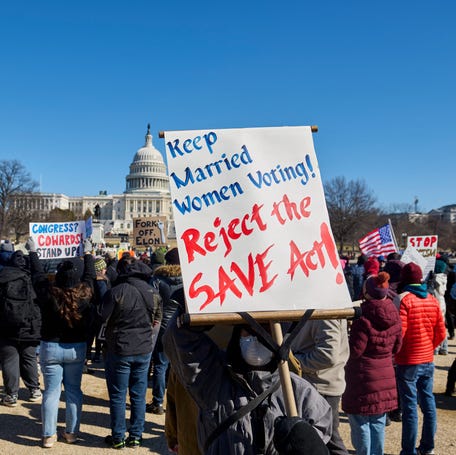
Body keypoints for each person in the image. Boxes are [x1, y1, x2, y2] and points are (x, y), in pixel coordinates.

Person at [163, 288, 333, 455]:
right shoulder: (213, 380)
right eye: (250, 331)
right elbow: (180, 342)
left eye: (267, 332)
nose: (257, 339)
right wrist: (194, 311)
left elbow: (322, 428)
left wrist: (310, 447)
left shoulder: (301, 394)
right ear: (237, 335)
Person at [27, 237, 96, 448]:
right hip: (76, 348)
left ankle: (49, 435)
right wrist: (89, 254)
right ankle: (71, 433)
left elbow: (38, 276)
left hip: (51, 347)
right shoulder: (85, 295)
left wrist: (33, 253)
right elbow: (90, 277)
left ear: (58, 277)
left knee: (51, 392)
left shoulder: (49, 294)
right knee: (74, 391)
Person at [101, 255, 162, 449]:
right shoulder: (154, 293)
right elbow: (157, 321)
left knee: (118, 395)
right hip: (144, 348)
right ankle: (136, 436)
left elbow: (101, 315)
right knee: (138, 394)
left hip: (120, 348)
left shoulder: (116, 291)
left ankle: (118, 437)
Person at [342, 272, 403, 455]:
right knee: (377, 421)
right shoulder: (395, 315)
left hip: (363, 376)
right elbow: (397, 347)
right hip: (385, 374)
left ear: (366, 293)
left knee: (360, 421)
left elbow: (355, 351)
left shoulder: (363, 319)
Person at [393, 262, 446, 455]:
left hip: (408, 360)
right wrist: (428, 349)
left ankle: (408, 450)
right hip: (426, 359)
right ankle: (428, 447)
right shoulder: (432, 299)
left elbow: (400, 333)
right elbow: (441, 332)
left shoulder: (403, 299)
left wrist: (396, 353)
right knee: (428, 403)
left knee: (410, 408)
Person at [291, 318, 350, 455]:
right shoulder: (321, 308)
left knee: (329, 440)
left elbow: (327, 355)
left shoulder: (325, 310)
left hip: (321, 386)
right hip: (318, 383)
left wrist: (294, 362)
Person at [0, 250, 42, 407]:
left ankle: (11, 395)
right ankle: (34, 390)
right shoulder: (31, 278)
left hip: (6, 326)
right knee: (29, 358)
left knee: (9, 360)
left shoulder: (3, 278)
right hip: (29, 326)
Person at [147, 247, 182, 415]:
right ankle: (178, 405)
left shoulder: (157, 279)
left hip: (161, 325)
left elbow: (150, 300)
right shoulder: (188, 278)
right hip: (182, 325)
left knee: (160, 364)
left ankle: (158, 402)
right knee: (180, 366)